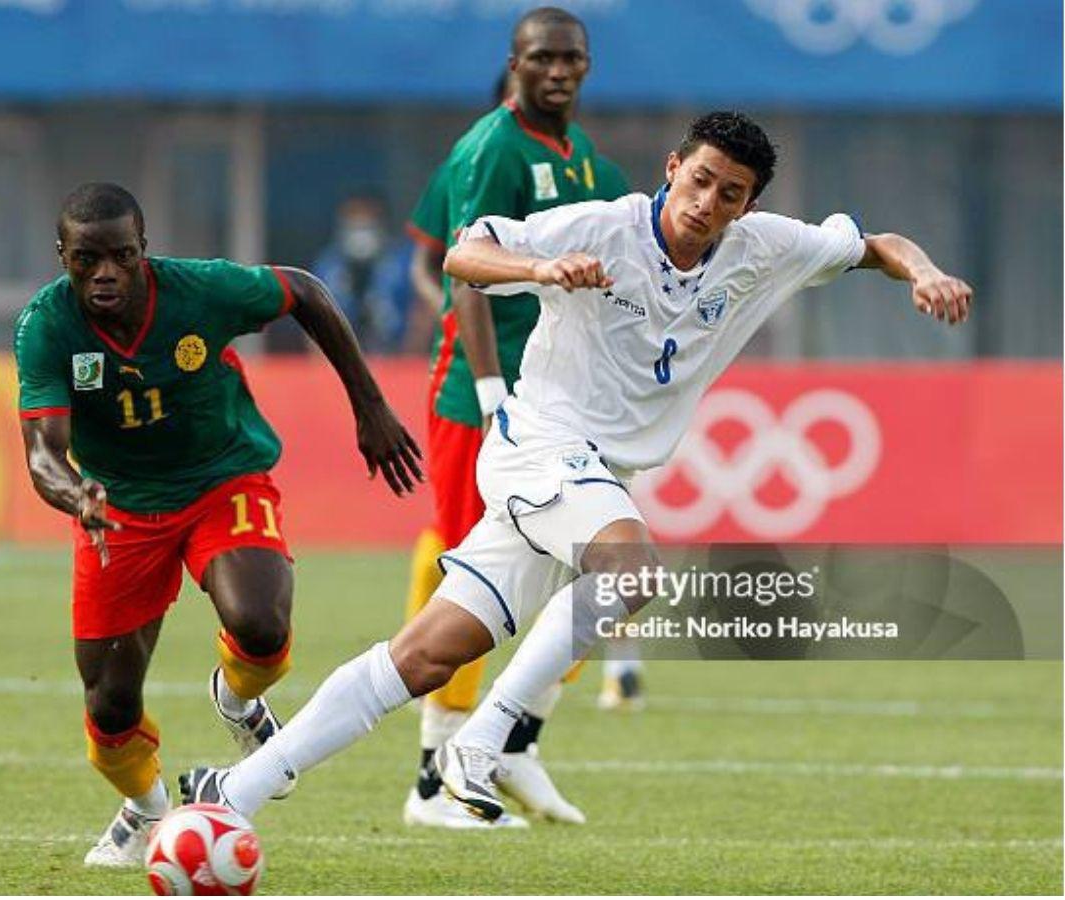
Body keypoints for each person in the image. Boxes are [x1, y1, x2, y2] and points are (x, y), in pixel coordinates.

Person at [178, 109, 971, 825]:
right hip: (539, 446)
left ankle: (238, 790)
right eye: (699, 180)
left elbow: (878, 246)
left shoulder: (767, 248)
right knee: (633, 572)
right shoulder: (602, 225)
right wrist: (540, 271)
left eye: (730, 193)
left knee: (424, 655)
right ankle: (484, 742)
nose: (708, 202)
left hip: (592, 478)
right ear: (671, 168)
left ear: (749, 206)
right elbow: (464, 254)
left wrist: (925, 272)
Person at [13, 182, 421, 867]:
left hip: (221, 479)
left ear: (145, 251)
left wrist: (370, 405)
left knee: (262, 625)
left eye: (121, 256)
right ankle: (146, 809)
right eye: (87, 259)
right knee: (110, 705)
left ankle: (235, 700)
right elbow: (42, 455)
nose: (105, 273)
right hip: (118, 509)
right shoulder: (46, 327)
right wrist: (75, 492)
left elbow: (306, 292)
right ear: (63, 256)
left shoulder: (201, 291)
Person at [398, 6, 631, 828]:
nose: (558, 71)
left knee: (584, 579)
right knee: (474, 579)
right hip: (481, 397)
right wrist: (492, 391)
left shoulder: (585, 159)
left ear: (588, 66)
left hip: (561, 400)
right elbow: (465, 268)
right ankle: (433, 777)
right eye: (542, 58)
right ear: (515, 64)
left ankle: (517, 745)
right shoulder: (490, 147)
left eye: (571, 58)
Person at [313, 193, 415, 354]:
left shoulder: (401, 261)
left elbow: (419, 313)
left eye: (367, 225)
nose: (360, 232)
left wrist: (409, 358)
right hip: (342, 356)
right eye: (354, 223)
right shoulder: (329, 264)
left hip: (393, 355)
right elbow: (312, 314)